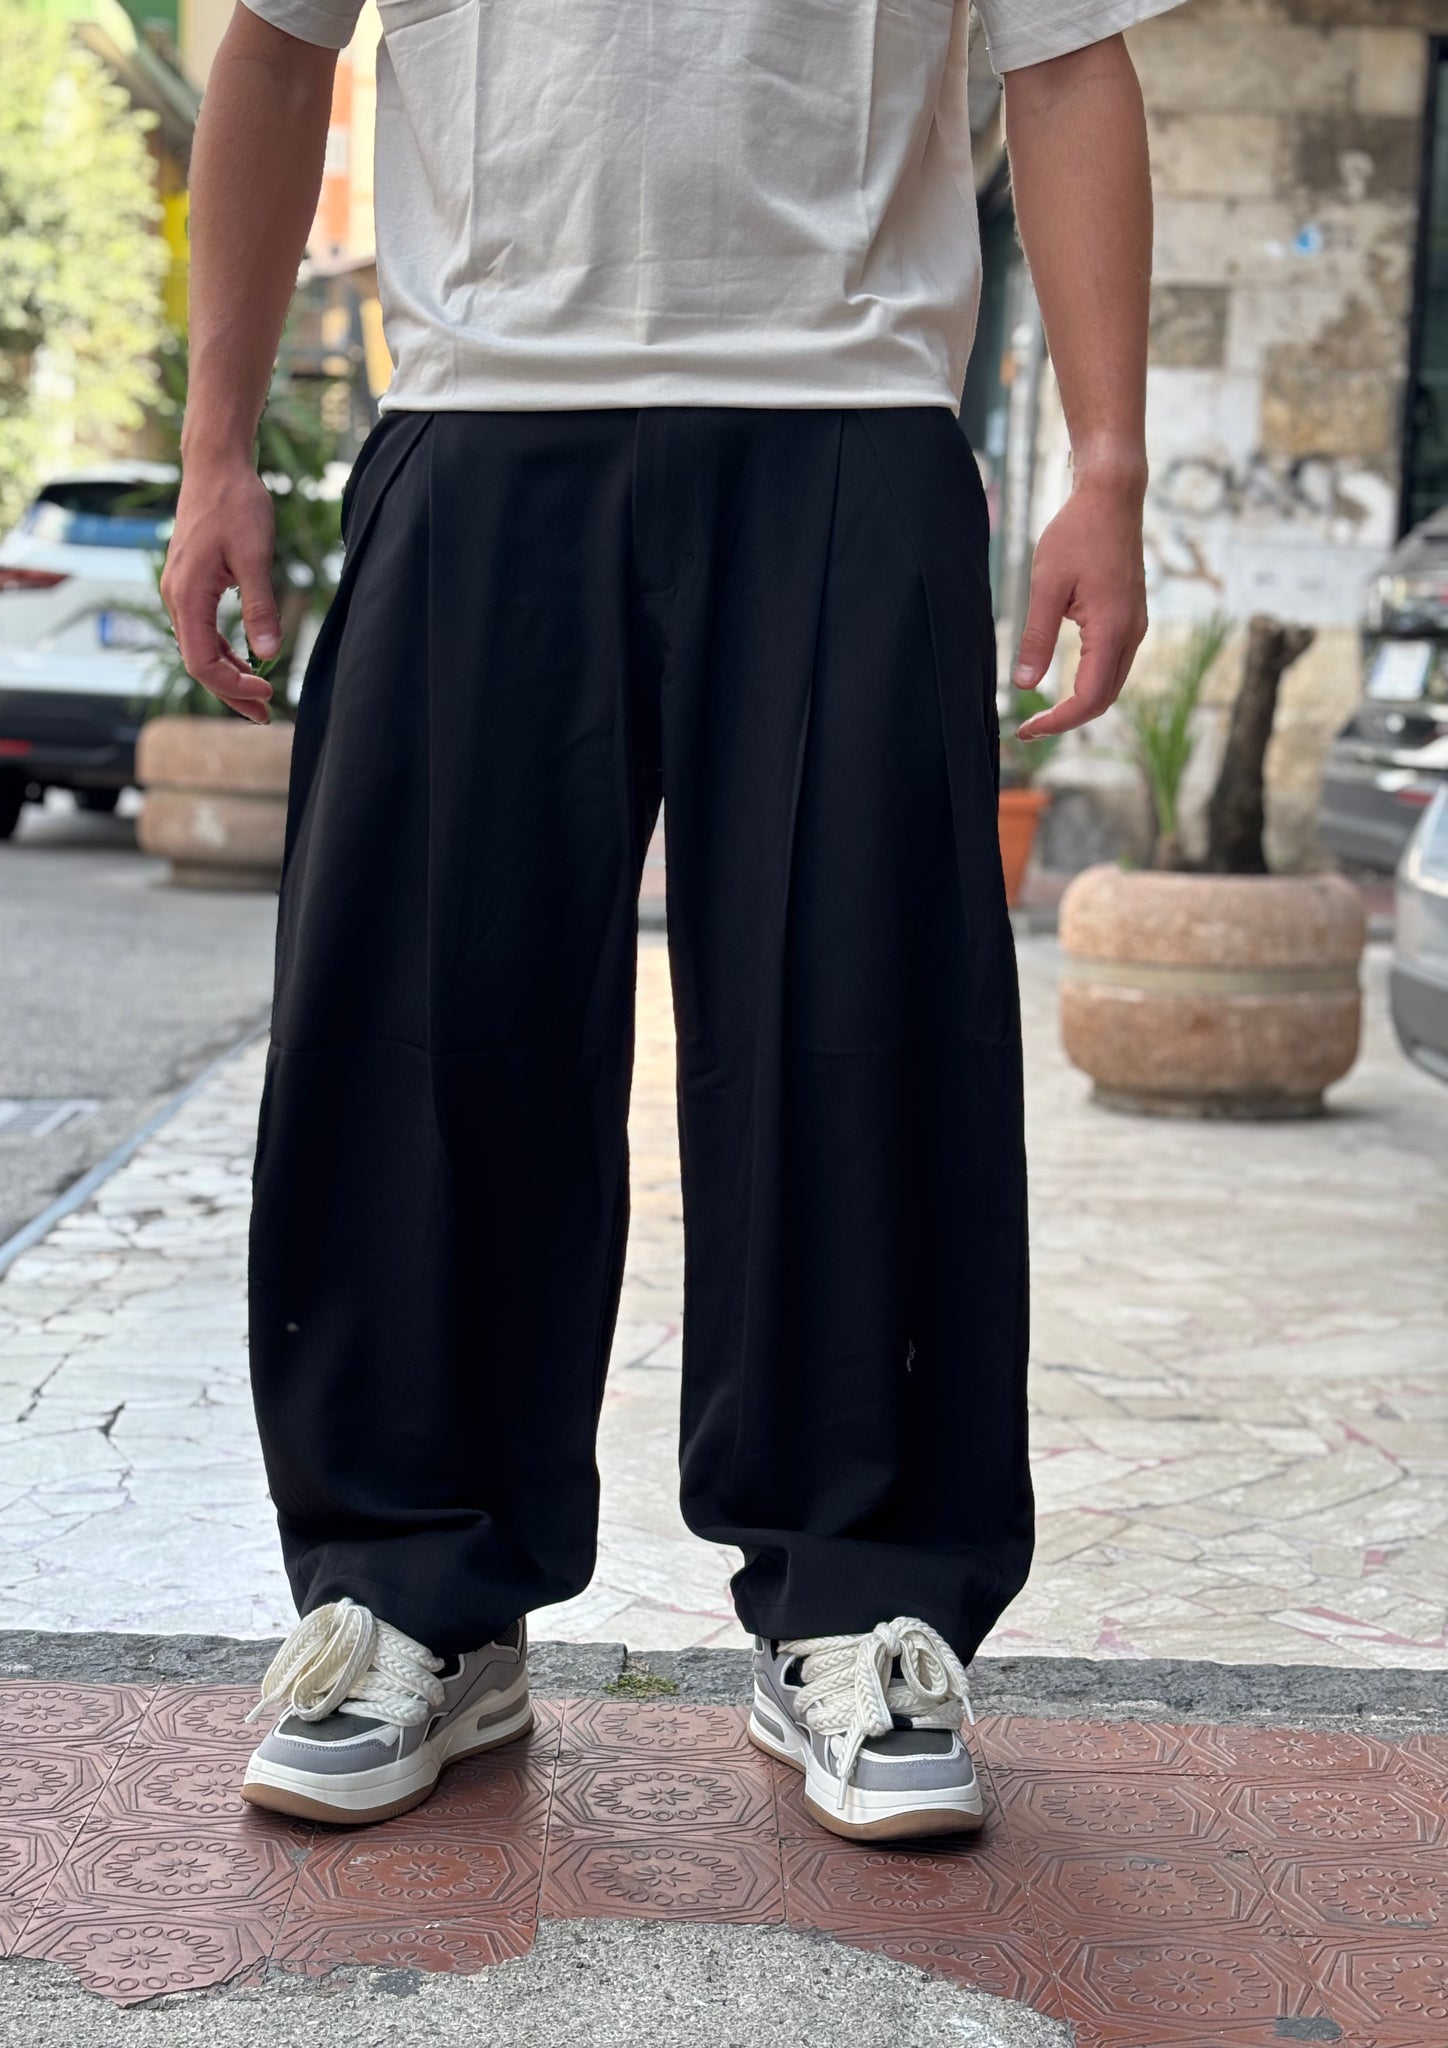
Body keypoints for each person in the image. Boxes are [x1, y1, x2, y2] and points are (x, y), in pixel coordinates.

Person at [164, 0, 1171, 1843]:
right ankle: (417, 1593)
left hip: (850, 415)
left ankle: (859, 1600)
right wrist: (212, 440)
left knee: (862, 1024)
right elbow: (275, 46)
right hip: (480, 415)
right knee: (423, 1025)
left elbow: (1068, 58)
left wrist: (1107, 465)